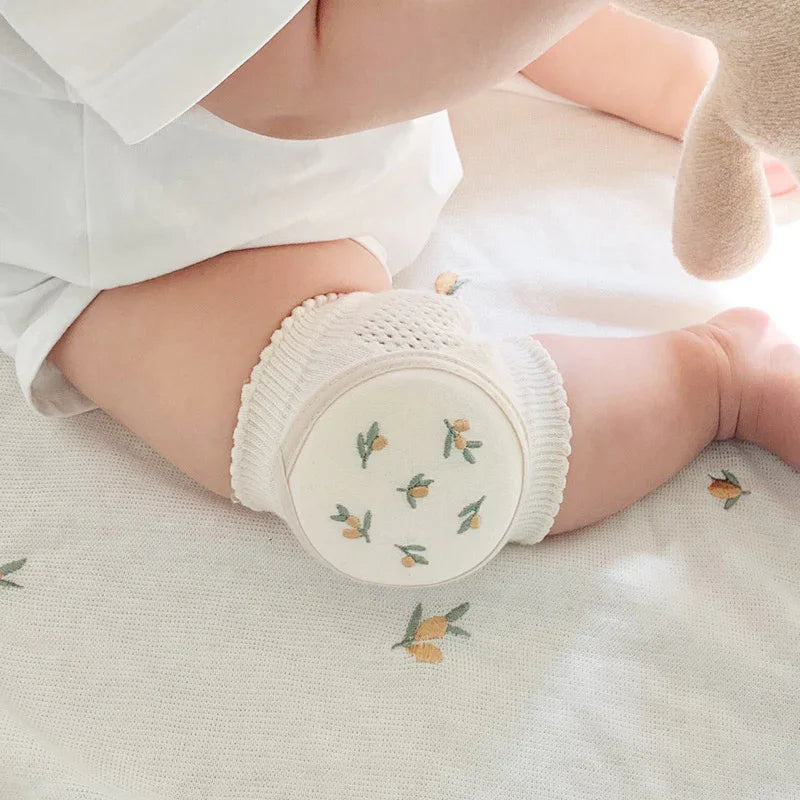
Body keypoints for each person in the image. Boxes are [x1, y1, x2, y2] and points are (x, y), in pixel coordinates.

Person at [1, 3, 797, 584]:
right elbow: (297, 75)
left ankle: (705, 96)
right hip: (135, 242)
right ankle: (721, 378)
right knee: (394, 465)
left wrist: (716, 95)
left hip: (363, 89)